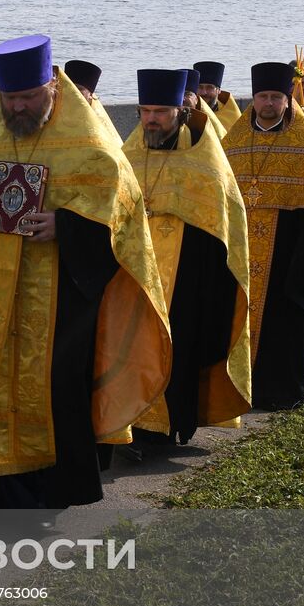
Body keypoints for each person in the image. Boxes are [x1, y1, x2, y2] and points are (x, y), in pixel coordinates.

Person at [0, 35, 170, 510]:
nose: (17, 107)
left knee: (55, 387)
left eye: (28, 96)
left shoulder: (90, 139)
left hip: (62, 297)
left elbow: (121, 211)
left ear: (52, 84)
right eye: (10, 99)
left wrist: (66, 225)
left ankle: (55, 489)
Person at [123, 69, 251, 445]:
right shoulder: (128, 154)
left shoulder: (205, 161)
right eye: (145, 110)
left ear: (181, 110)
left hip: (187, 278)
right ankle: (130, 426)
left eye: (160, 110)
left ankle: (165, 428)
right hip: (133, 275)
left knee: (178, 352)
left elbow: (224, 224)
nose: (151, 119)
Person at [222, 62, 304, 410]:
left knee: (285, 326)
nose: (269, 104)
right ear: (254, 99)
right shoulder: (235, 142)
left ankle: (286, 394)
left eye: (277, 97)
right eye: (263, 97)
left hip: (289, 255)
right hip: (242, 252)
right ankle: (240, 391)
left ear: (288, 100)